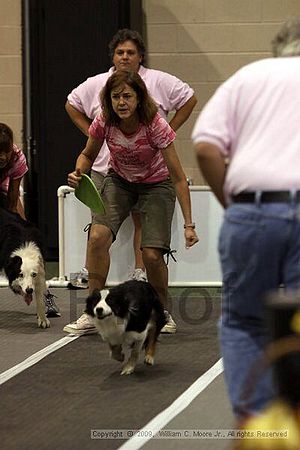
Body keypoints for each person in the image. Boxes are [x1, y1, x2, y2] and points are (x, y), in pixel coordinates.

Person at [192, 16, 300, 419]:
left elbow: (205, 149)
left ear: (278, 49)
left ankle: (257, 429)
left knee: (244, 321)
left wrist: (236, 206)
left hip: (253, 209)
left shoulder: (247, 77)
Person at [64, 70, 198, 337]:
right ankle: (92, 310)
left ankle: (161, 311)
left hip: (157, 185)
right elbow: (87, 154)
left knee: (151, 254)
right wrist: (78, 172)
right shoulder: (104, 121)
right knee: (98, 237)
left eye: (127, 96)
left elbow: (178, 178)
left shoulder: (156, 125)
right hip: (119, 182)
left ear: (139, 98)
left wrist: (189, 224)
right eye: (115, 97)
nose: (121, 102)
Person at [0, 123, 60, 317]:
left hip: (3, 192)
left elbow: (12, 198)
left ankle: (45, 294)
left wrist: (18, 229)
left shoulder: (17, 159)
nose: (2, 157)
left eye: (5, 152)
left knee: (23, 229)